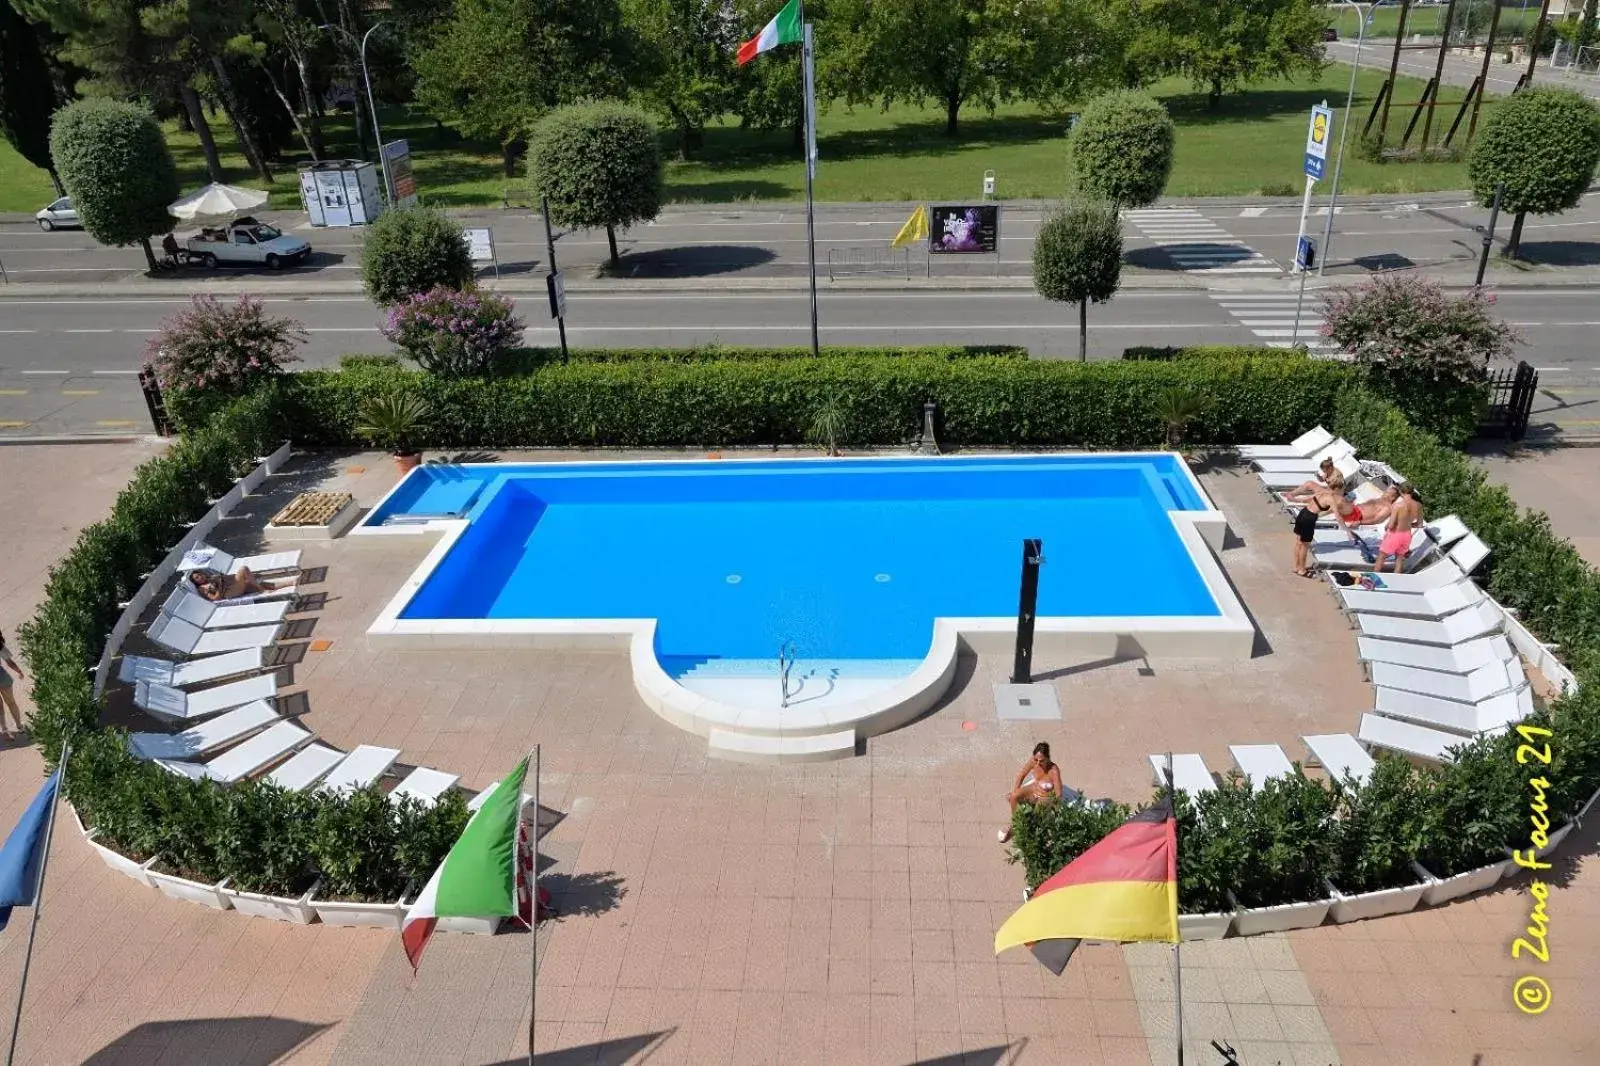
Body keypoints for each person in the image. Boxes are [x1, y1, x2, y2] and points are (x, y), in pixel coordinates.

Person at [1291, 484, 1367, 578]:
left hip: (1303, 513)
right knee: (1304, 545)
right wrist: (1347, 530)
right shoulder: (1332, 500)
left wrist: (1295, 500)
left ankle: (1296, 567)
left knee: (1298, 542)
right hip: (1309, 518)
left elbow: (1308, 499)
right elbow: (1338, 517)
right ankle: (1302, 570)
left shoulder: (1323, 492)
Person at [999, 742, 1067, 843]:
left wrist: (1055, 810)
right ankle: (1015, 823)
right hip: (1033, 790)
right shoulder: (1033, 762)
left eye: (1042, 760)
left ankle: (1022, 831)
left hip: (1045, 797)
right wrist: (1016, 790)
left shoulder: (1053, 770)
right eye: (1036, 759)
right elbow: (1021, 776)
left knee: (1035, 816)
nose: (1038, 763)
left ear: (1048, 758)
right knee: (1013, 796)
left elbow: (1058, 793)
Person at [1377, 484, 1423, 573]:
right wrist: (1408, 524)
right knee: (1399, 559)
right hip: (1407, 535)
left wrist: (1386, 527)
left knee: (1381, 557)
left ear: (1401, 492)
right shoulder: (1418, 505)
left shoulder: (1398, 505)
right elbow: (1420, 524)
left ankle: (1373, 578)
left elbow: (1391, 525)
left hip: (1395, 534)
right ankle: (1396, 579)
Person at [187, 566, 287, 602]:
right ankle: (261, 590)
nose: (200, 577)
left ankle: (291, 582)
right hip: (229, 593)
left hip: (232, 586)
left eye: (199, 575)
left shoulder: (210, 578)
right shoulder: (201, 588)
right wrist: (220, 587)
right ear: (195, 582)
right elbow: (215, 598)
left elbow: (226, 579)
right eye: (196, 578)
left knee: (264, 584)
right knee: (243, 569)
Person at [0, 630, 26, 738]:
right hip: (2, 677)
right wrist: (19, 671)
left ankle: (5, 730)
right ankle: (19, 727)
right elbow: (9, 662)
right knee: (11, 702)